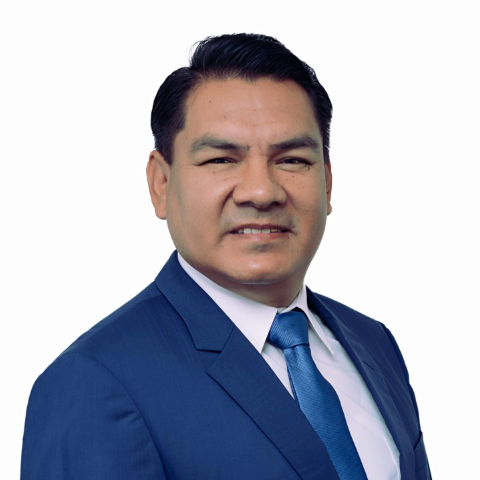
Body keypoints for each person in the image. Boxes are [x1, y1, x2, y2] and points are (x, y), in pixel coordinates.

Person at [21, 33, 431, 480]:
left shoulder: (375, 344)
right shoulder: (93, 382)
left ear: (327, 183)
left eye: (292, 160)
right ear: (161, 184)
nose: (262, 192)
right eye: (221, 159)